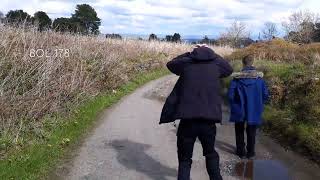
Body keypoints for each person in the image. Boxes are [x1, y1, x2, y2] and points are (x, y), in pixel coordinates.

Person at [160, 45, 233, 180]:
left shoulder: (187, 63)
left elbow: (171, 64)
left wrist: (189, 53)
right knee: (210, 154)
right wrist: (213, 53)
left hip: (187, 121)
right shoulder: (216, 64)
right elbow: (229, 69)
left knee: (185, 159)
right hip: (208, 120)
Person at [228, 55, 269, 159]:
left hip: (239, 107)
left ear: (243, 63)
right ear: (252, 63)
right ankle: (250, 153)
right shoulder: (260, 80)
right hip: (254, 108)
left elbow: (230, 95)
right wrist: (259, 103)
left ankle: (240, 152)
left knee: (239, 130)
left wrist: (234, 103)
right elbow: (265, 95)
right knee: (252, 131)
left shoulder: (236, 79)